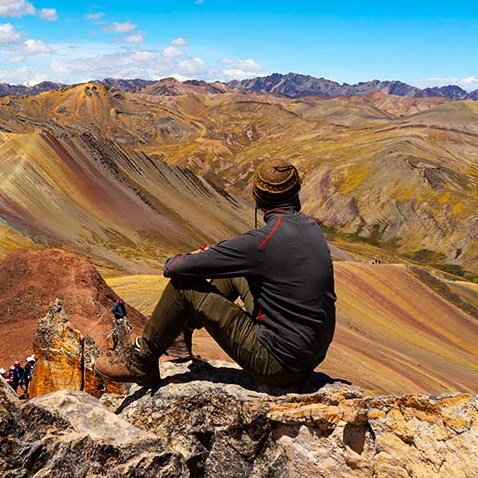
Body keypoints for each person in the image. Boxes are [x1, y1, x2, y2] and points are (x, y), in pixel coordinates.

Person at [94, 159, 336, 389]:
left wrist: (199, 256)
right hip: (309, 356)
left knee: (183, 288)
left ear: (258, 199)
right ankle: (179, 336)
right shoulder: (311, 228)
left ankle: (141, 362)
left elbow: (173, 268)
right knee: (236, 274)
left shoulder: (263, 241)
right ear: (296, 193)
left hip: (277, 365)